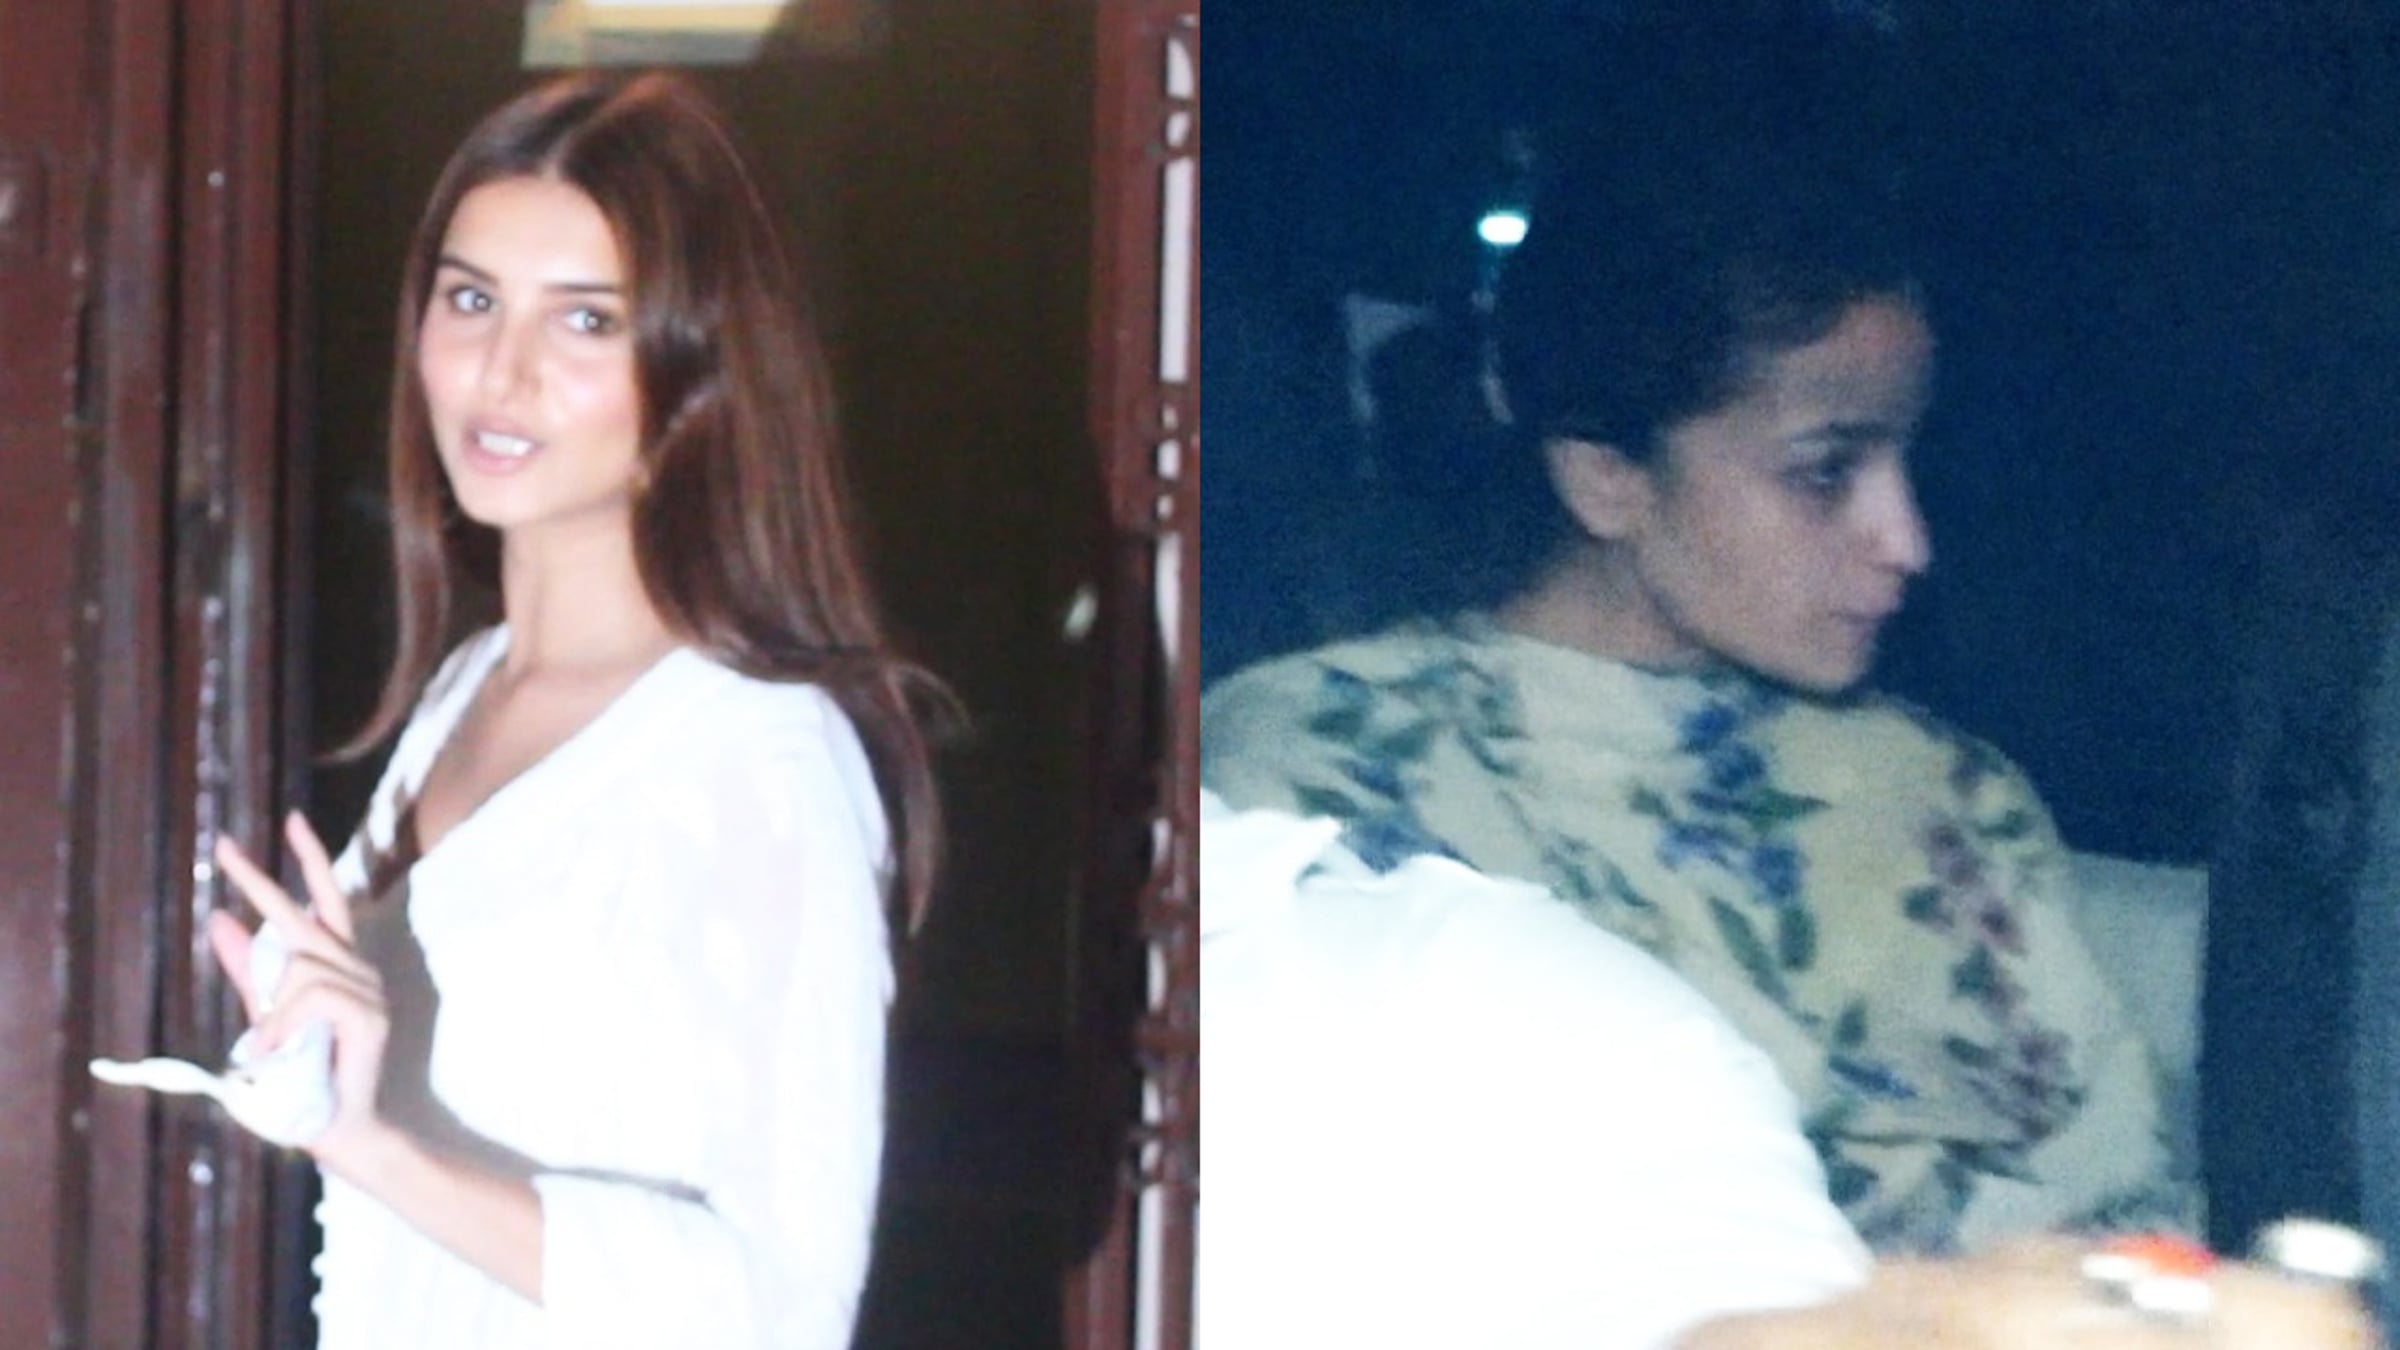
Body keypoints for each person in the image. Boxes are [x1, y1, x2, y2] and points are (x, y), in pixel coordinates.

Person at [1201, 141, 2186, 1254]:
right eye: (1826, 471)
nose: (1905, 540)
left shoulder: (1950, 792)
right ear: (1605, 477)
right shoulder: (1315, 765)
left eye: (1908, 460)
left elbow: (2129, 1217)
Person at [193, 71, 944, 1346]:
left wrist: (368, 1145)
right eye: (471, 299)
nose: (504, 371)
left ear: (697, 371)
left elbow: (788, 1307)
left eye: (586, 321)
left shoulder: (760, 751)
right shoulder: (464, 690)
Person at [1202, 791, 2376, 1349]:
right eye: (1823, 472)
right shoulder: (1334, 744)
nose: (1903, 541)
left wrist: (1896, 1335)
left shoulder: (1474, 1001)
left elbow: (1686, 1275)